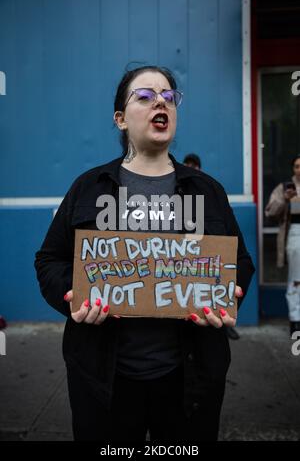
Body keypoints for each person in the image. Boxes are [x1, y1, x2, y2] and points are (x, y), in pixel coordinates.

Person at [34, 65, 255, 442]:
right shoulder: (89, 188)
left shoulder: (207, 191)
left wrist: (225, 295)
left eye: (169, 97)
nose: (161, 103)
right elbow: (49, 260)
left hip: (190, 382)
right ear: (120, 119)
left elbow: (240, 264)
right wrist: (72, 295)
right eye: (146, 96)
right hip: (103, 381)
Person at [183, 153, 241, 341]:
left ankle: (226, 325)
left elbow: (240, 255)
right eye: (188, 165)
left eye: (195, 165)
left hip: (210, 267)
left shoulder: (210, 190)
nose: (191, 168)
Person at [265, 155, 300, 336]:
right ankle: (295, 319)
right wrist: (285, 200)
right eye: (296, 166)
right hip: (295, 232)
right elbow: (270, 211)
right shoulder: (286, 187)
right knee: (296, 278)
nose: (299, 169)